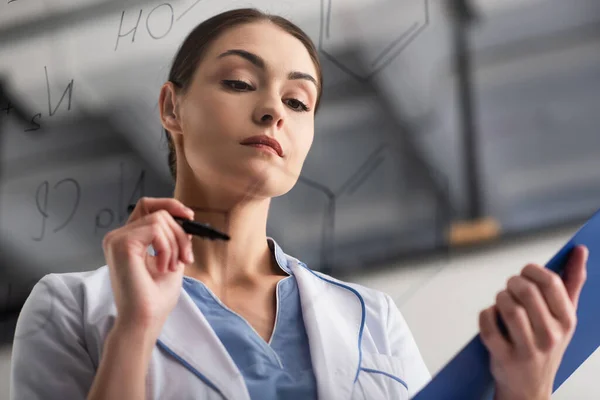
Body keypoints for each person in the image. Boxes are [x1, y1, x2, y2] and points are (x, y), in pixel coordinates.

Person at [9, 8, 588, 400]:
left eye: (298, 100)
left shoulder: (371, 318)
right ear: (171, 107)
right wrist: (134, 327)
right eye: (239, 83)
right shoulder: (73, 309)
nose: (273, 112)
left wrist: (524, 387)